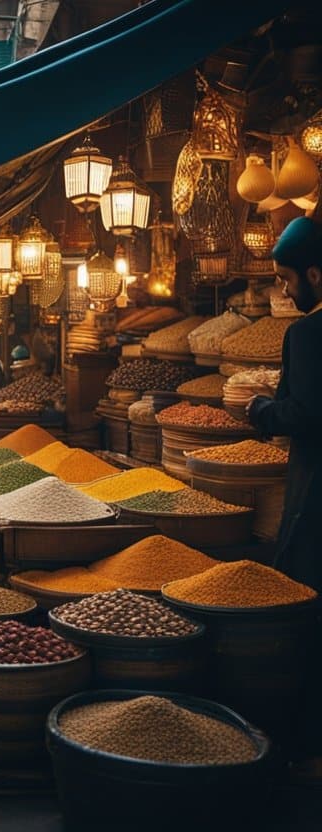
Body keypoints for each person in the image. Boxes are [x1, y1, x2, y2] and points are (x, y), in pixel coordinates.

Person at [246, 215, 322, 772]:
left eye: (287, 280)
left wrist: (260, 410)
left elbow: (306, 413)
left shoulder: (308, 334)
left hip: (316, 496)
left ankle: (309, 748)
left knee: (308, 614)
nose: (285, 291)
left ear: (314, 274)